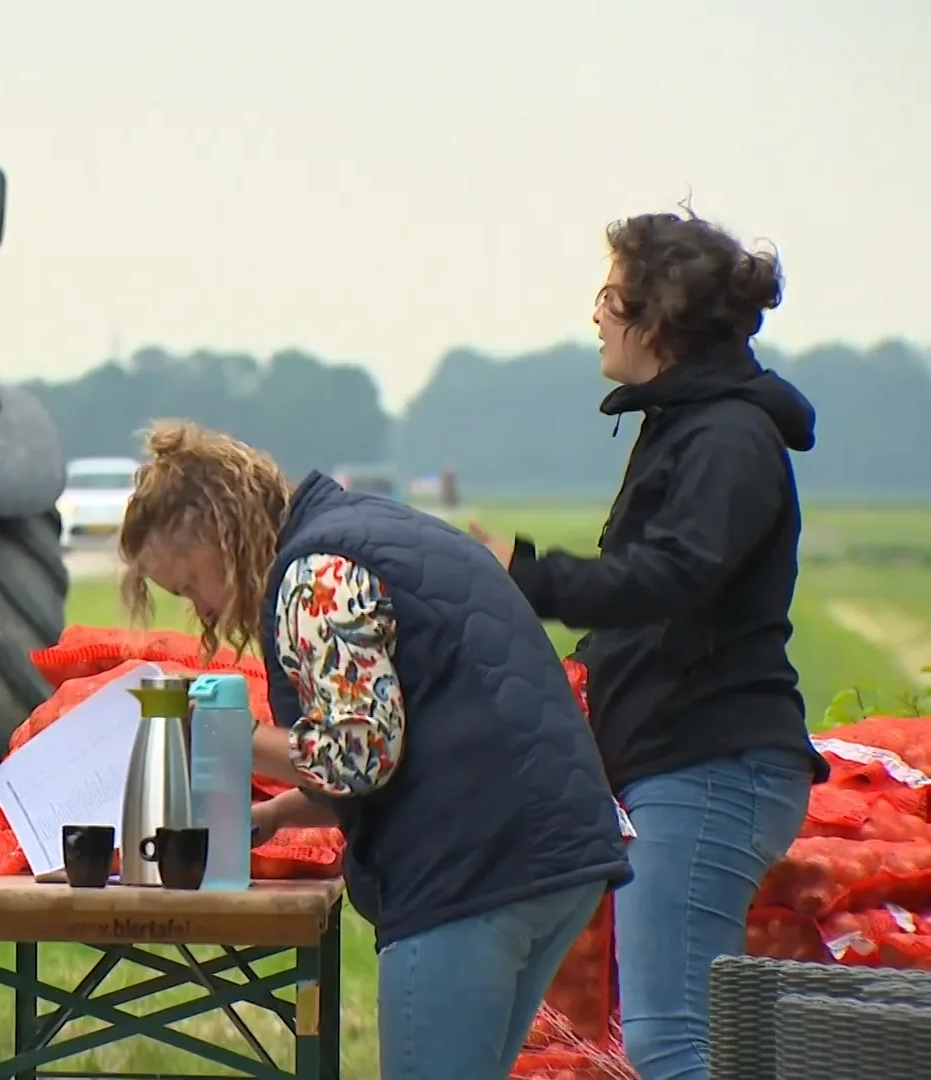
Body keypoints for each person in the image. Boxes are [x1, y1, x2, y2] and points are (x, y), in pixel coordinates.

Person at [118, 420, 633, 1080]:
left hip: (471, 868)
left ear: (224, 535)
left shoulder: (316, 578)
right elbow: (422, 727)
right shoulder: (373, 530)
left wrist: (228, 739)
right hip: (560, 848)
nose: (205, 614)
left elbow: (361, 755)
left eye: (191, 585)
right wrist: (278, 816)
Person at [471, 211, 827, 1080]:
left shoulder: (728, 439)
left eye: (609, 295)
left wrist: (533, 575)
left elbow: (675, 576)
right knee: (680, 1037)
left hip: (710, 769)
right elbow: (653, 597)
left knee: (672, 1042)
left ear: (655, 319)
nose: (596, 316)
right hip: (689, 766)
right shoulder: (690, 424)